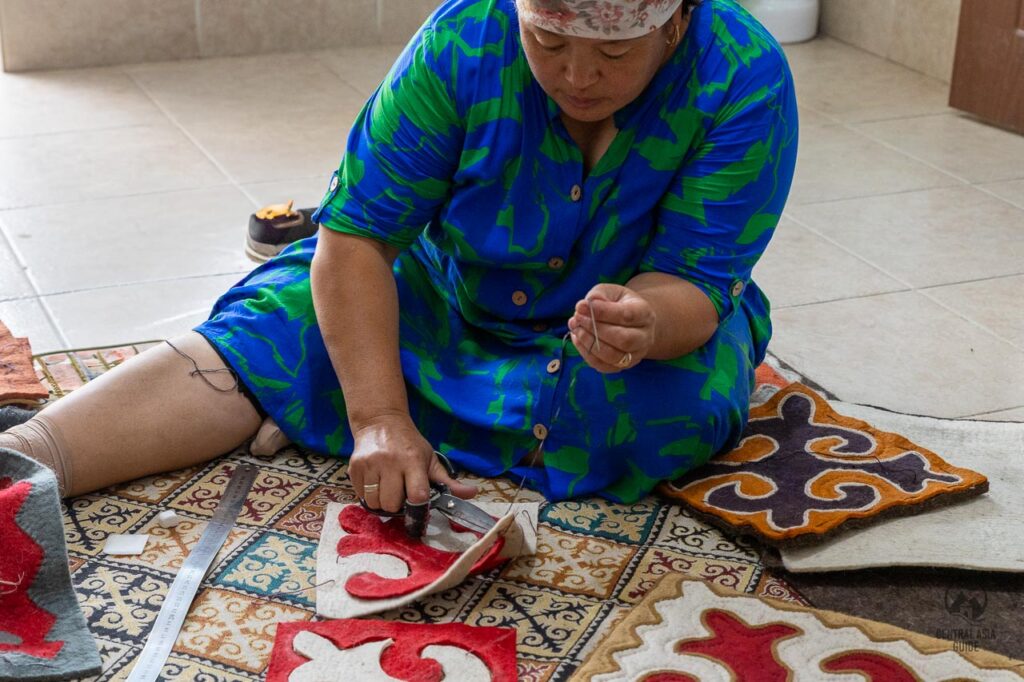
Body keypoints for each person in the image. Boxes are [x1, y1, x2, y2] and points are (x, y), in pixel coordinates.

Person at [0, 0, 797, 512]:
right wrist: (378, 418)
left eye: (615, 56)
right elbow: (354, 243)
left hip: (614, 341)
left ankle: (319, 405)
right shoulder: (461, 40)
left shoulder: (743, 76)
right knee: (285, 317)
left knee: (672, 415)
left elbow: (695, 282)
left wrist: (645, 323)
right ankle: (25, 459)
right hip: (444, 295)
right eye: (547, 40)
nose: (576, 75)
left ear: (677, 23)